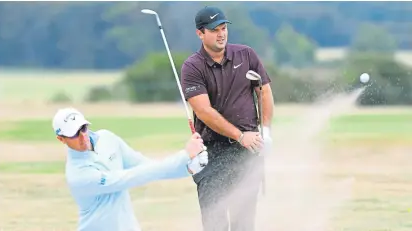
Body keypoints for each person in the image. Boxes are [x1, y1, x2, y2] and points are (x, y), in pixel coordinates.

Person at [180, 6, 275, 231]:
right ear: (200, 33)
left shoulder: (246, 55)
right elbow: (204, 111)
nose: (221, 34)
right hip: (212, 154)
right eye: (214, 30)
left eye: (223, 28)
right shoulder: (192, 67)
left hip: (247, 153)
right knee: (215, 223)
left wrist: (266, 133)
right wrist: (240, 135)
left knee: (244, 223)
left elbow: (265, 92)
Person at [52, 107, 208, 231]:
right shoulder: (78, 175)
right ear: (61, 139)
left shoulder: (107, 138)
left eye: (83, 128)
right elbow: (132, 177)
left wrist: (188, 167)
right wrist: (184, 154)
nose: (82, 136)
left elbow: (147, 167)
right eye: (74, 134)